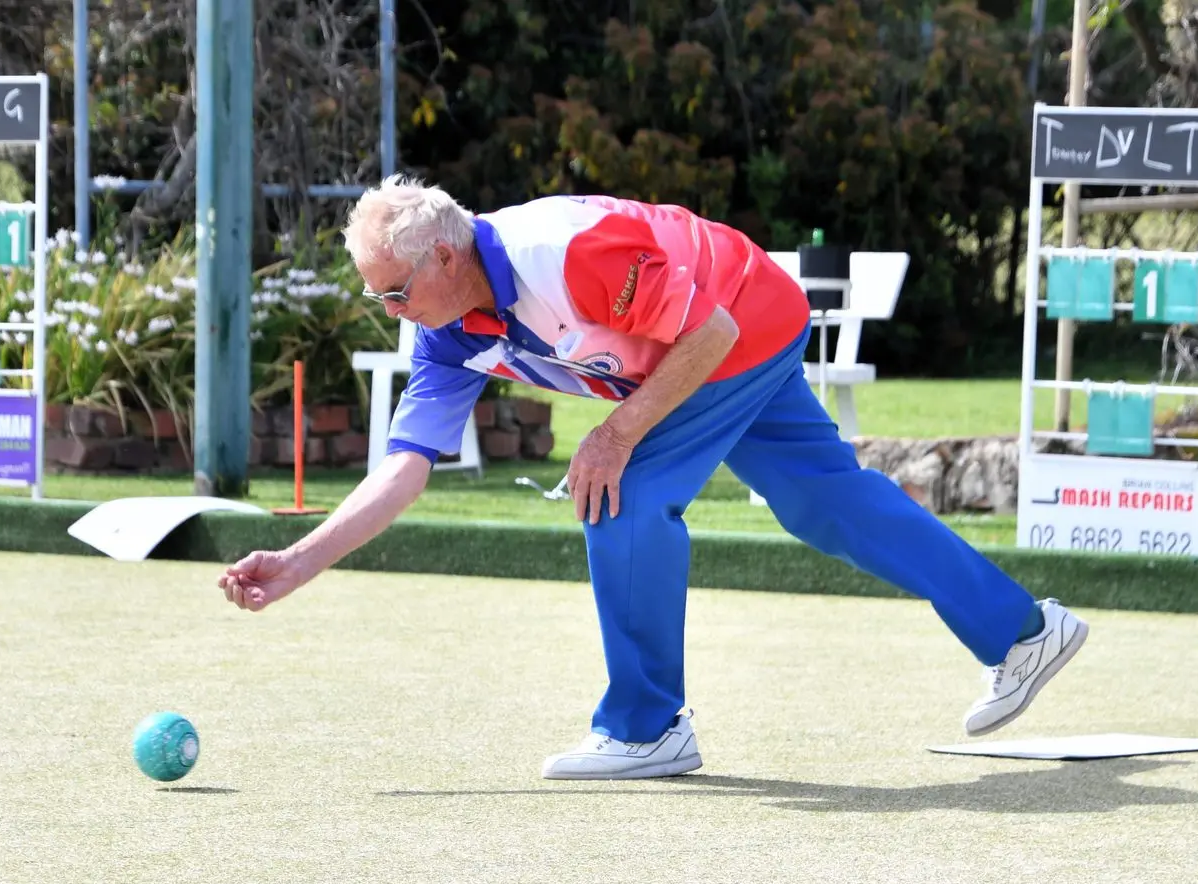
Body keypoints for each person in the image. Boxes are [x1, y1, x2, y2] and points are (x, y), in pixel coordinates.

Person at [217, 174, 1090, 780]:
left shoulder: (565, 252)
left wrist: (616, 433)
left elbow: (708, 332)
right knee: (826, 505)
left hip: (736, 320)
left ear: (444, 258)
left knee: (621, 488)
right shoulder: (446, 331)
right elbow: (404, 469)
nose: (391, 311)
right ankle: (1023, 631)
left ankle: (645, 727)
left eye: (393, 292)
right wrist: (298, 560)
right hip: (724, 336)